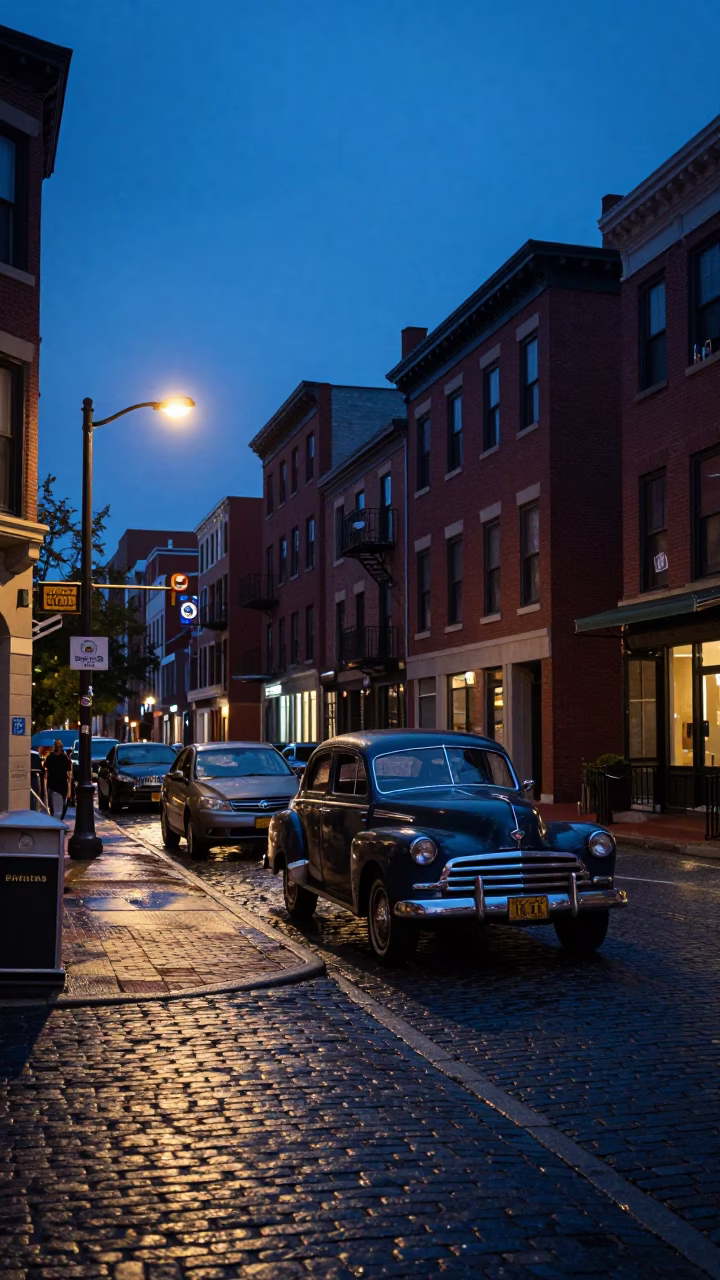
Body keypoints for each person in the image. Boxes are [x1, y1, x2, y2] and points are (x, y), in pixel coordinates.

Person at [44, 739, 72, 818]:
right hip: (54, 784)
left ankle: (58, 817)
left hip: (59, 784)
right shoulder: (52, 757)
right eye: (58, 746)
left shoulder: (63, 758)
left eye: (60, 746)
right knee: (55, 803)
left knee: (60, 803)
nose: (59, 748)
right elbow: (46, 770)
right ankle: (56, 817)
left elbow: (69, 773)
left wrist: (69, 787)